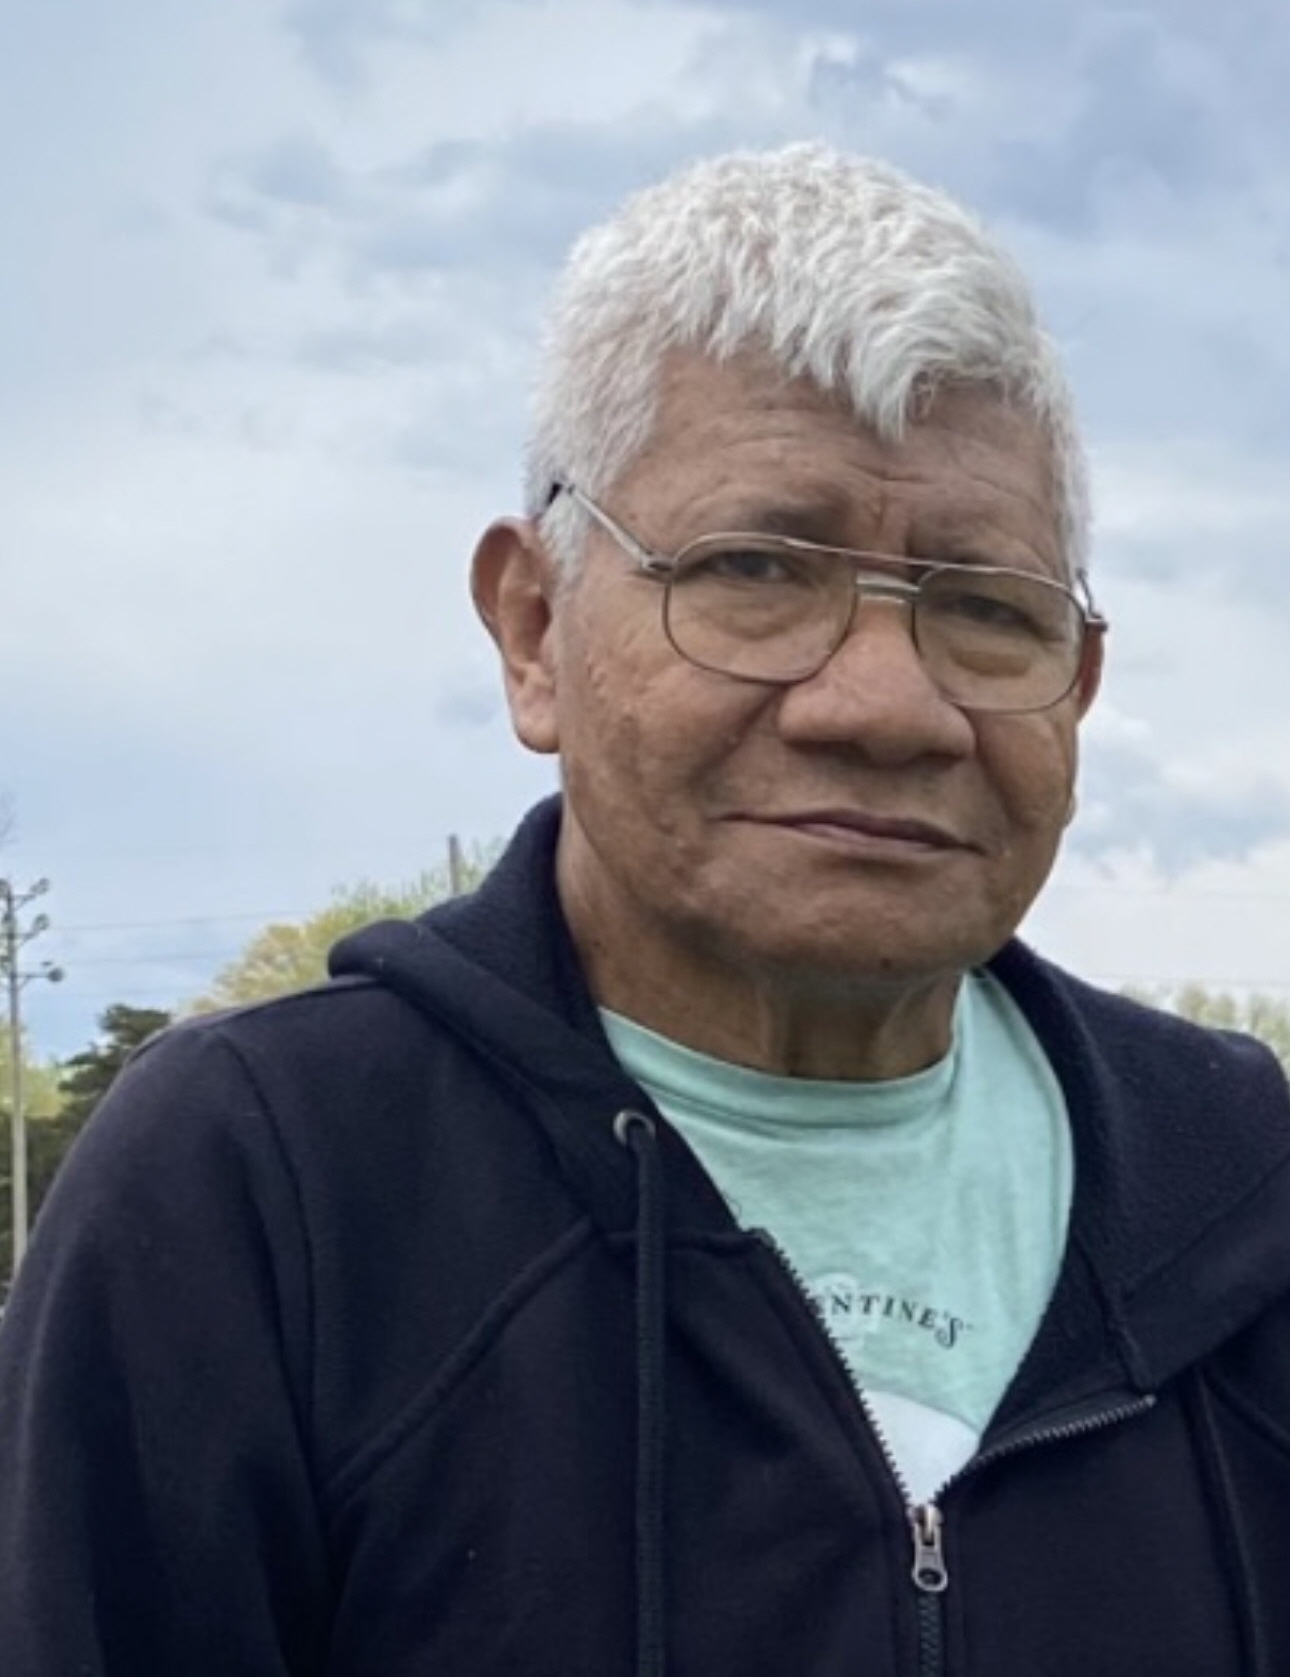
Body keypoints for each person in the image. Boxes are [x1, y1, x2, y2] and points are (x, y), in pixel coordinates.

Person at [2, 143, 1289, 1677]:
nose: (886, 705)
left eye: (984, 608)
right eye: (755, 569)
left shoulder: (1239, 1189)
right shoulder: (267, 1194)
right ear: (533, 628)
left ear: (1075, 686)